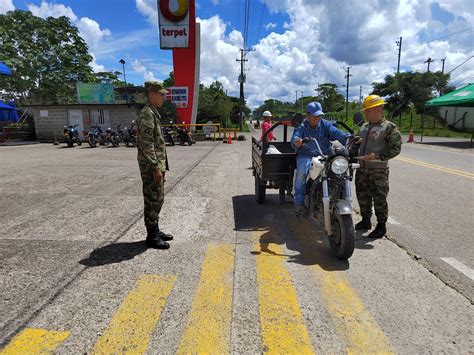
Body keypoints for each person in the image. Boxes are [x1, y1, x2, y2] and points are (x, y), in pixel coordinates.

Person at [291, 102, 350, 218]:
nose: (317, 118)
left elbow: (336, 133)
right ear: (307, 115)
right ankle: (299, 202)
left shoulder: (325, 125)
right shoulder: (301, 127)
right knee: (301, 172)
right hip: (306, 155)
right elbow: (295, 138)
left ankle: (338, 197)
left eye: (319, 115)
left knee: (339, 172)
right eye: (315, 115)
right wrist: (298, 141)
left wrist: (348, 137)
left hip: (324, 155)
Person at [355, 95, 402, 238]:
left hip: (378, 171)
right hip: (362, 169)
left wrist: (377, 156)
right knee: (362, 196)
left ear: (377, 109)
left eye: (367, 110)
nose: (365, 113)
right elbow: (357, 143)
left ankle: (381, 226)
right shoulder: (364, 126)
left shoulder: (389, 128)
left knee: (379, 199)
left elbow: (396, 149)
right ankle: (365, 220)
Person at [137, 81, 173, 249]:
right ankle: (151, 236)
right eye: (161, 94)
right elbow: (147, 144)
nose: (163, 97)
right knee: (153, 199)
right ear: (151, 94)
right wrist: (155, 167)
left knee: (158, 198)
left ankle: (155, 230)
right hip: (151, 166)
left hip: (157, 164)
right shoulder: (146, 114)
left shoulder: (153, 112)